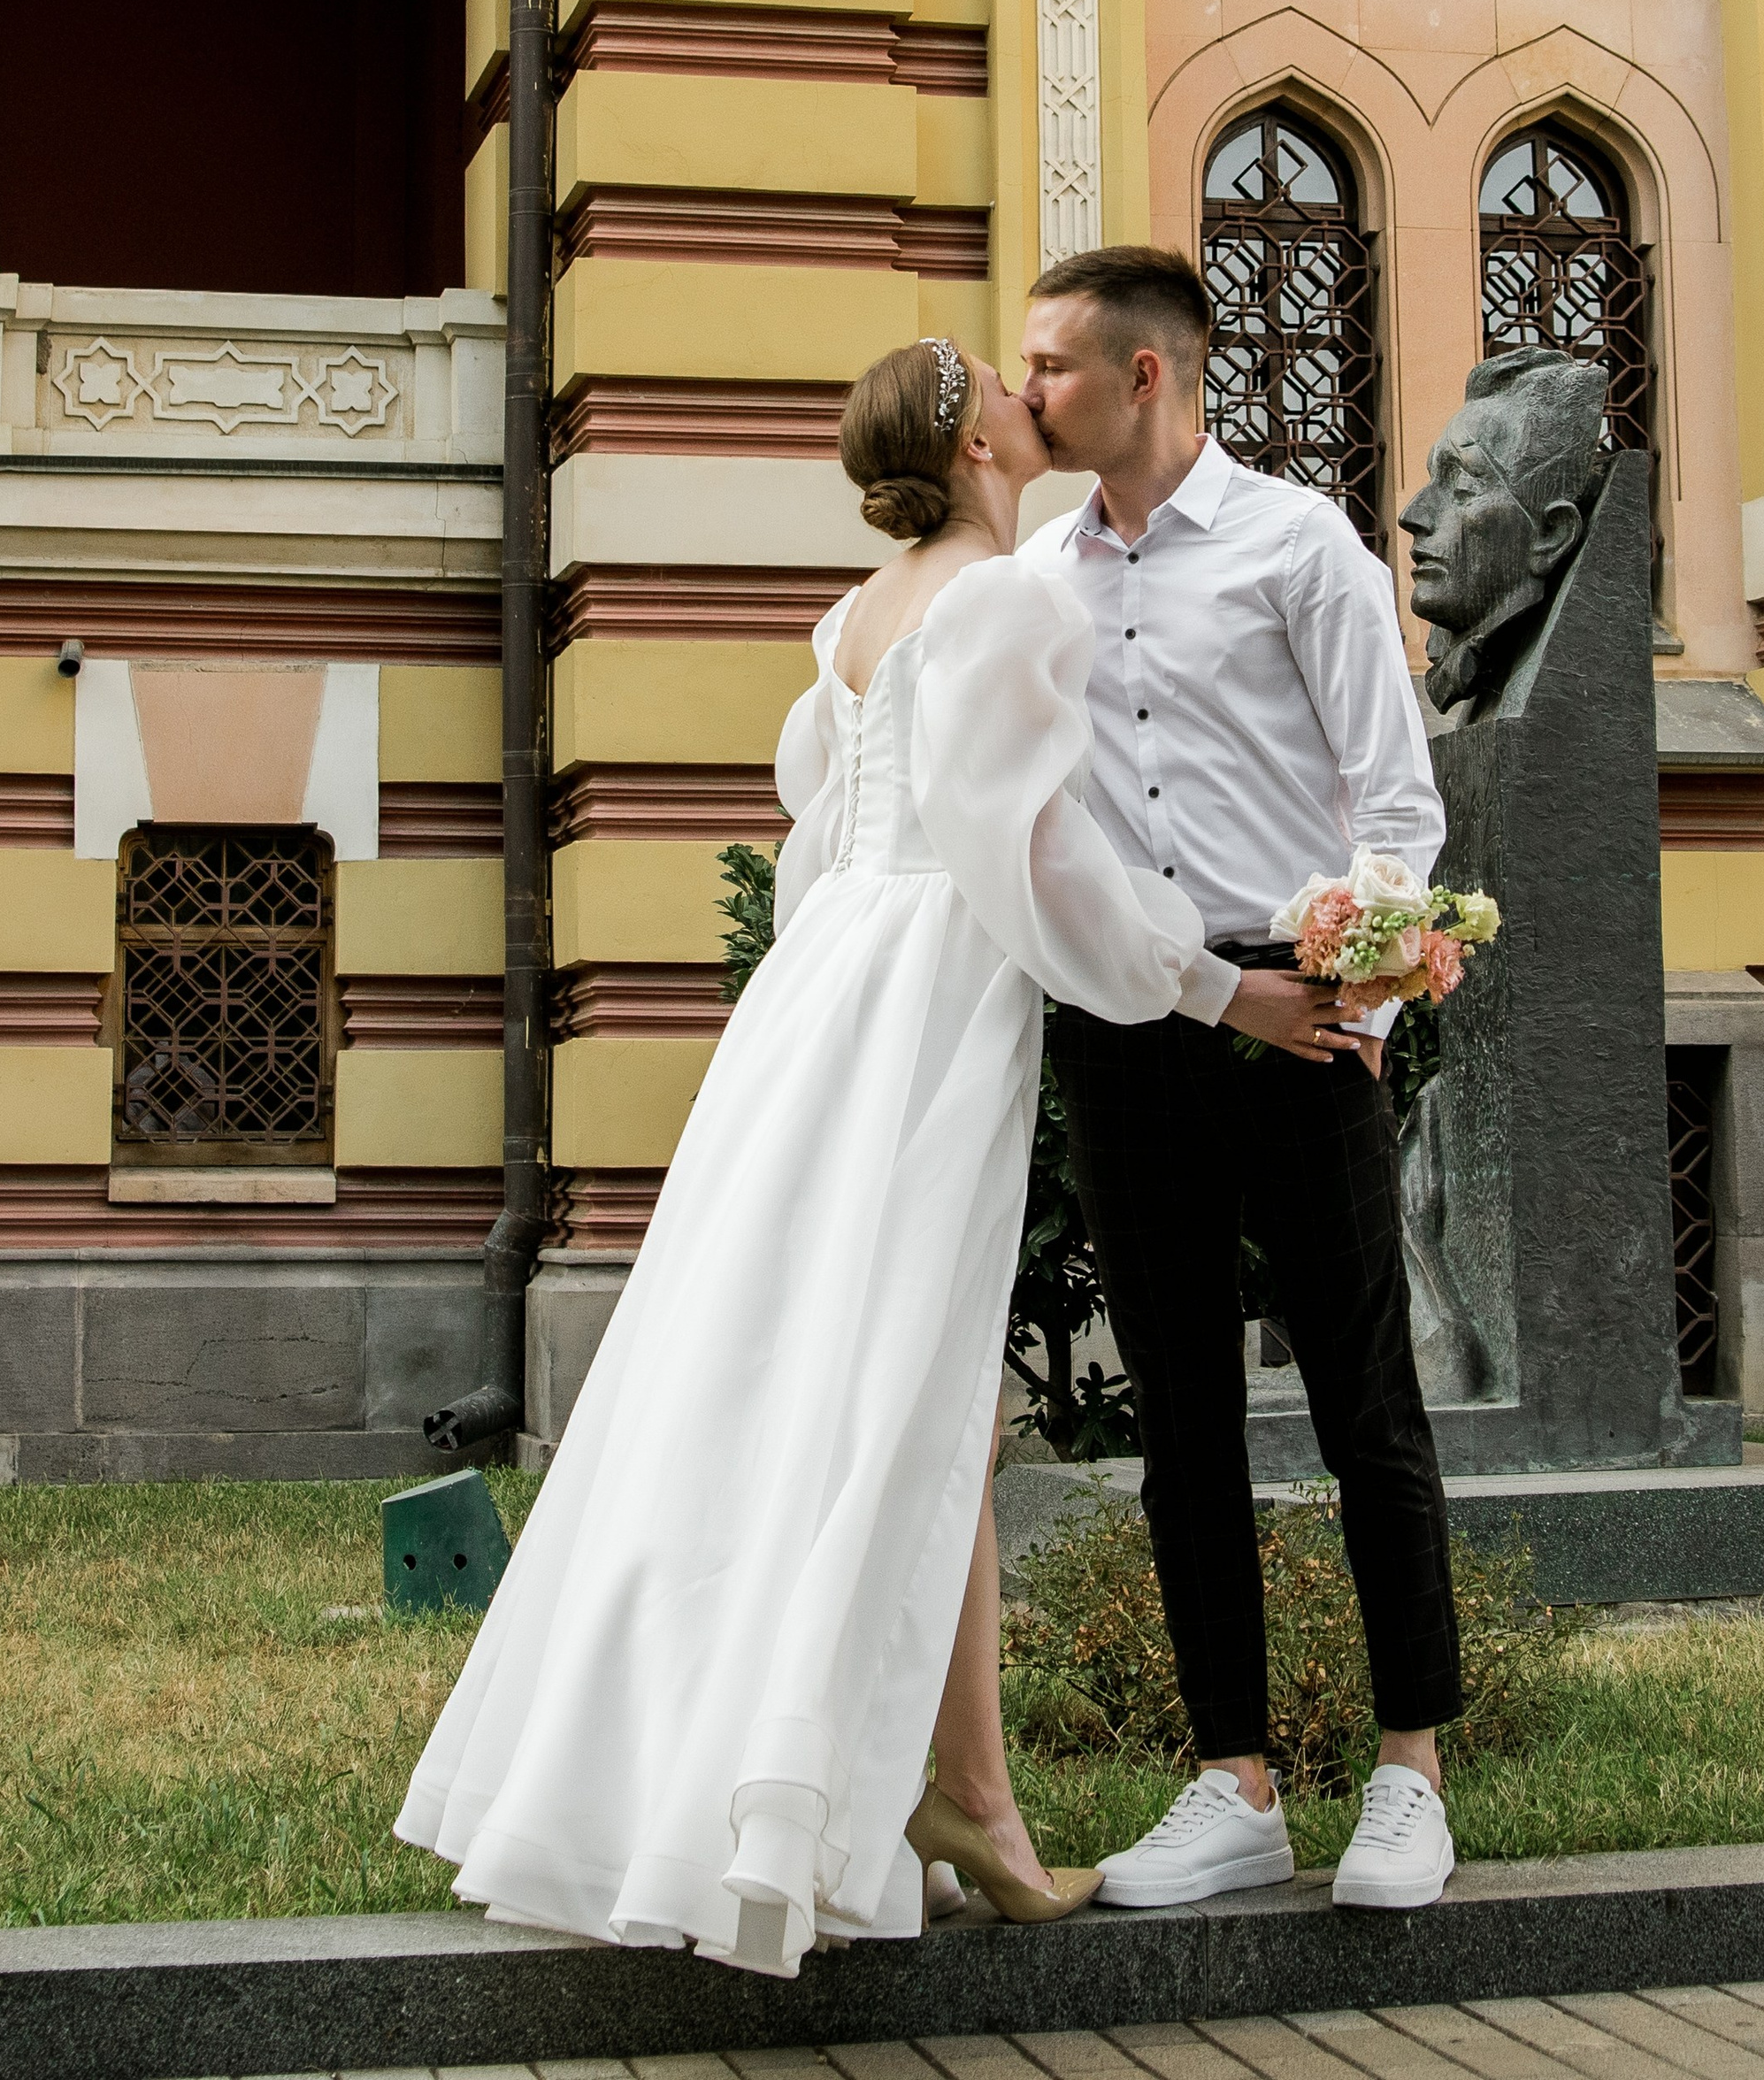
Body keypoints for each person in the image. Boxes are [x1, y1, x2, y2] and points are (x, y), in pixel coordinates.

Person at [395, 336, 1241, 1976]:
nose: (1031, 393)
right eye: (1009, 381)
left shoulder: (858, 618)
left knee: (892, 1406)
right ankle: (962, 1806)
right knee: (908, 1403)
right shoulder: (1010, 601)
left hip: (822, 1003)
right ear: (978, 439)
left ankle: (921, 1796)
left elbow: (821, 836)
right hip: (926, 1003)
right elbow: (1035, 853)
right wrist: (1207, 984)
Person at [1018, 243, 1466, 1914]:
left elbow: (1394, 803)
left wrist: (1362, 1002)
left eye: (1054, 363)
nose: (1029, 388)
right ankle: (1235, 1781)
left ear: (1148, 376)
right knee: (1182, 1413)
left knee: (1366, 1400)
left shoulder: (1298, 544)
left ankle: (1412, 1773)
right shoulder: (1039, 580)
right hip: (1134, 1019)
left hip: (1304, 1013)